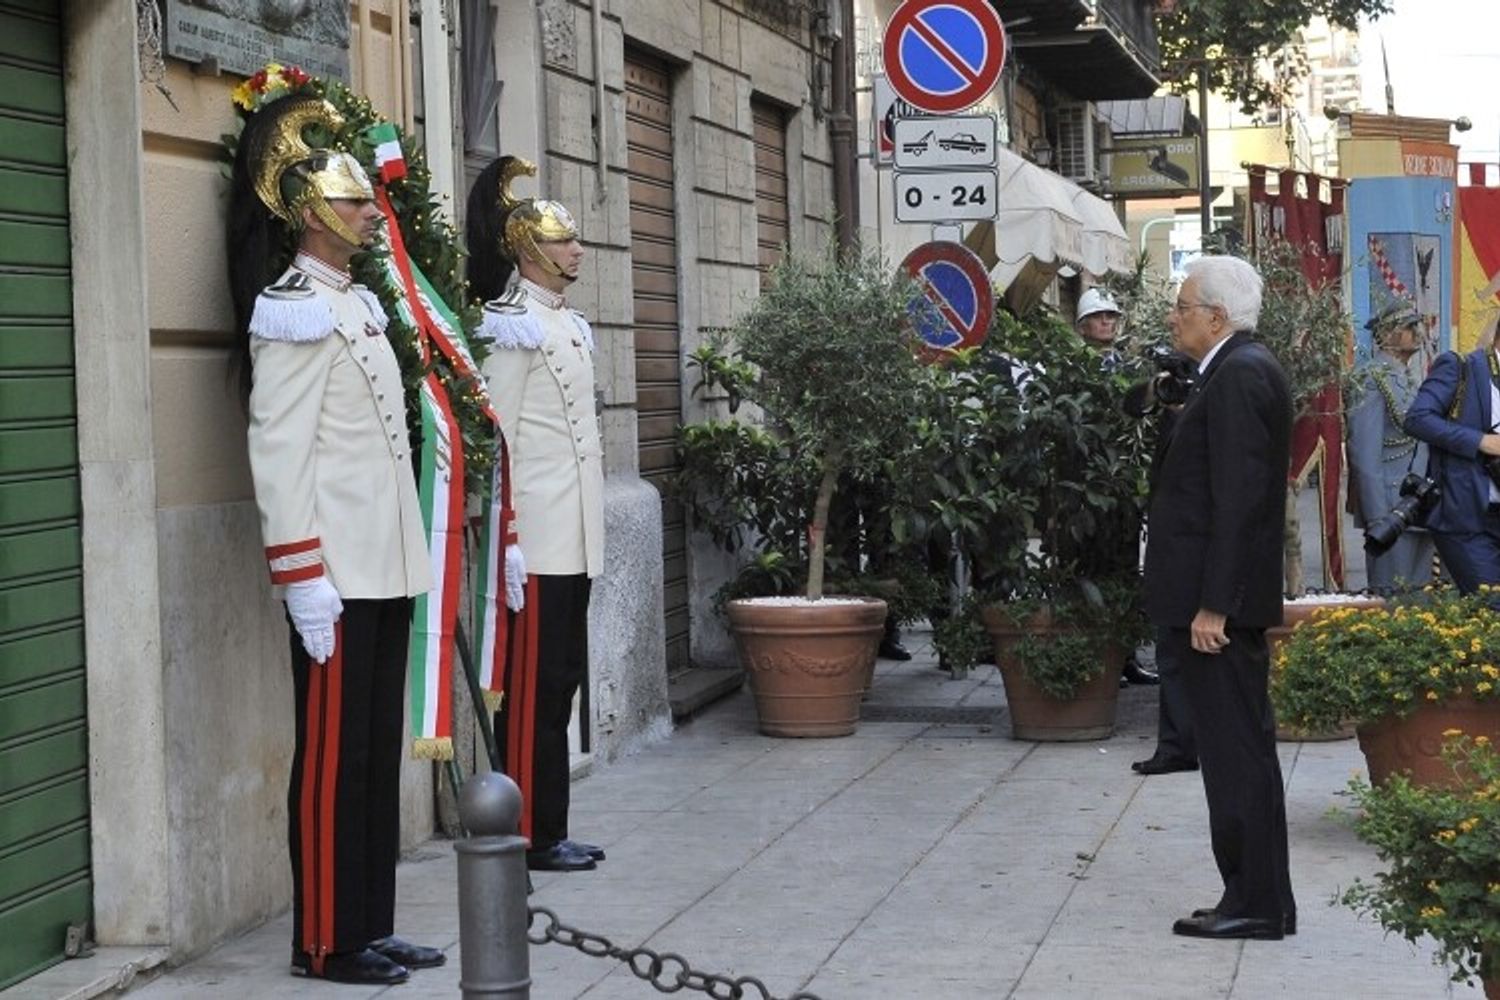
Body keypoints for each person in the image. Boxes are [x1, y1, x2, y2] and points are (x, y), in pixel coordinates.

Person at [227, 95, 444, 984]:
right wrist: (300, 573)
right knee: (328, 762)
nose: (368, 213)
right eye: (354, 202)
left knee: (370, 753)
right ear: (313, 212)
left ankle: (368, 921)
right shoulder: (291, 310)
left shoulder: (354, 303)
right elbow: (277, 450)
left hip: (384, 565)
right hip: (334, 576)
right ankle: (323, 940)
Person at [1144, 255, 1296, 941]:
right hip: (1211, 601)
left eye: (1181, 307)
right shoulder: (1229, 373)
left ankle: (1255, 903)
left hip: (1219, 612)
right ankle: (1255, 894)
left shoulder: (1239, 375)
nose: (1174, 318)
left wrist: (1216, 606)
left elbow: (1240, 503)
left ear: (1216, 316)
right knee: (1237, 753)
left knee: (1236, 756)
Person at [471, 158, 607, 873]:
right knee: (531, 689)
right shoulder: (510, 327)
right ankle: (528, 834)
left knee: (561, 683)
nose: (576, 249)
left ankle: (551, 826)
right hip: (536, 539)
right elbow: (502, 438)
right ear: (528, 249)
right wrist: (510, 536)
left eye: (575, 239)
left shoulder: (571, 325)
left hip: (575, 536)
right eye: (564, 241)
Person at [1074, 288, 1159, 688]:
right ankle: (1094, 655)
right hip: (1088, 487)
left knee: (1126, 568)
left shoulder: (1129, 366)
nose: (1107, 321)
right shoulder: (1073, 369)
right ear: (1083, 324)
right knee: (1091, 570)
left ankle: (1125, 657)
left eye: (1112, 315)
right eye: (1100, 315)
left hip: (1124, 484)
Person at [1124, 368, 1198, 777]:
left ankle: (1184, 744)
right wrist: (1159, 389)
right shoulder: (1173, 392)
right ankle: (1177, 745)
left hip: (1195, 543)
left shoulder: (1226, 384)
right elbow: (1129, 405)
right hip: (1171, 542)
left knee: (1191, 650)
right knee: (1171, 647)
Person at [1402, 324, 1500, 593]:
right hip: (1468, 518)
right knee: (1491, 610)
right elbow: (1417, 419)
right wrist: (1480, 441)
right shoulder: (1460, 367)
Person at [1347, 301, 1434, 590]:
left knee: (1418, 597)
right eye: (1409, 327)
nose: (1417, 332)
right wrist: (1377, 518)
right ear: (1387, 333)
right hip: (1389, 503)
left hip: (1418, 501)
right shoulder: (1370, 378)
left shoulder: (1411, 377)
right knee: (1391, 596)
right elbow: (1364, 451)